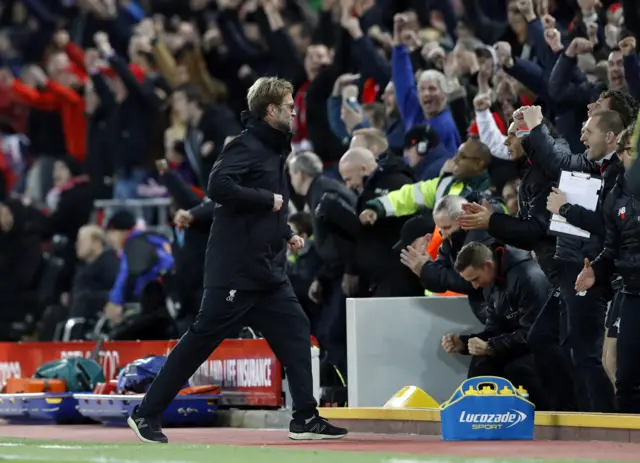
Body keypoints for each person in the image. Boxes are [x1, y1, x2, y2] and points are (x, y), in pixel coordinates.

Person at [127, 77, 347, 444]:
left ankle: (305, 417)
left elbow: (264, 211)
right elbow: (218, 187)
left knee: (296, 333)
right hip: (235, 271)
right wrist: (266, 200)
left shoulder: (275, 150)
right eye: (289, 106)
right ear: (271, 110)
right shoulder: (245, 145)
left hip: (267, 272)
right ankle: (145, 413)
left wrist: (285, 233)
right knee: (200, 341)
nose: (295, 112)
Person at [445, 241, 551, 410]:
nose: (474, 286)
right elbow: (494, 329)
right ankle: (479, 417)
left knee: (516, 369)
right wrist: (464, 343)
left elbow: (535, 332)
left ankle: (535, 421)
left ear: (487, 265)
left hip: (545, 347)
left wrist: (490, 346)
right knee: (481, 363)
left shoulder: (528, 277)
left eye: (475, 279)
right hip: (520, 345)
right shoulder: (491, 285)